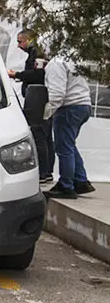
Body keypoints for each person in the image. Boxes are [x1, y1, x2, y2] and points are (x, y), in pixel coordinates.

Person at [43, 55, 95, 200]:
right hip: (83, 105)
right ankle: (80, 180)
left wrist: (46, 113)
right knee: (69, 145)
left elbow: (57, 94)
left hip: (69, 107)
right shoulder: (71, 59)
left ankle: (66, 186)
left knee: (63, 148)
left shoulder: (55, 64)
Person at [8, 29, 55, 185]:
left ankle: (43, 173)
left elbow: (38, 75)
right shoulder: (35, 53)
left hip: (37, 97)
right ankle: (47, 172)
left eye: (20, 41)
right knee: (46, 136)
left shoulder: (37, 53)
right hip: (38, 95)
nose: (19, 45)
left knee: (39, 134)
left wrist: (18, 75)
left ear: (29, 39)